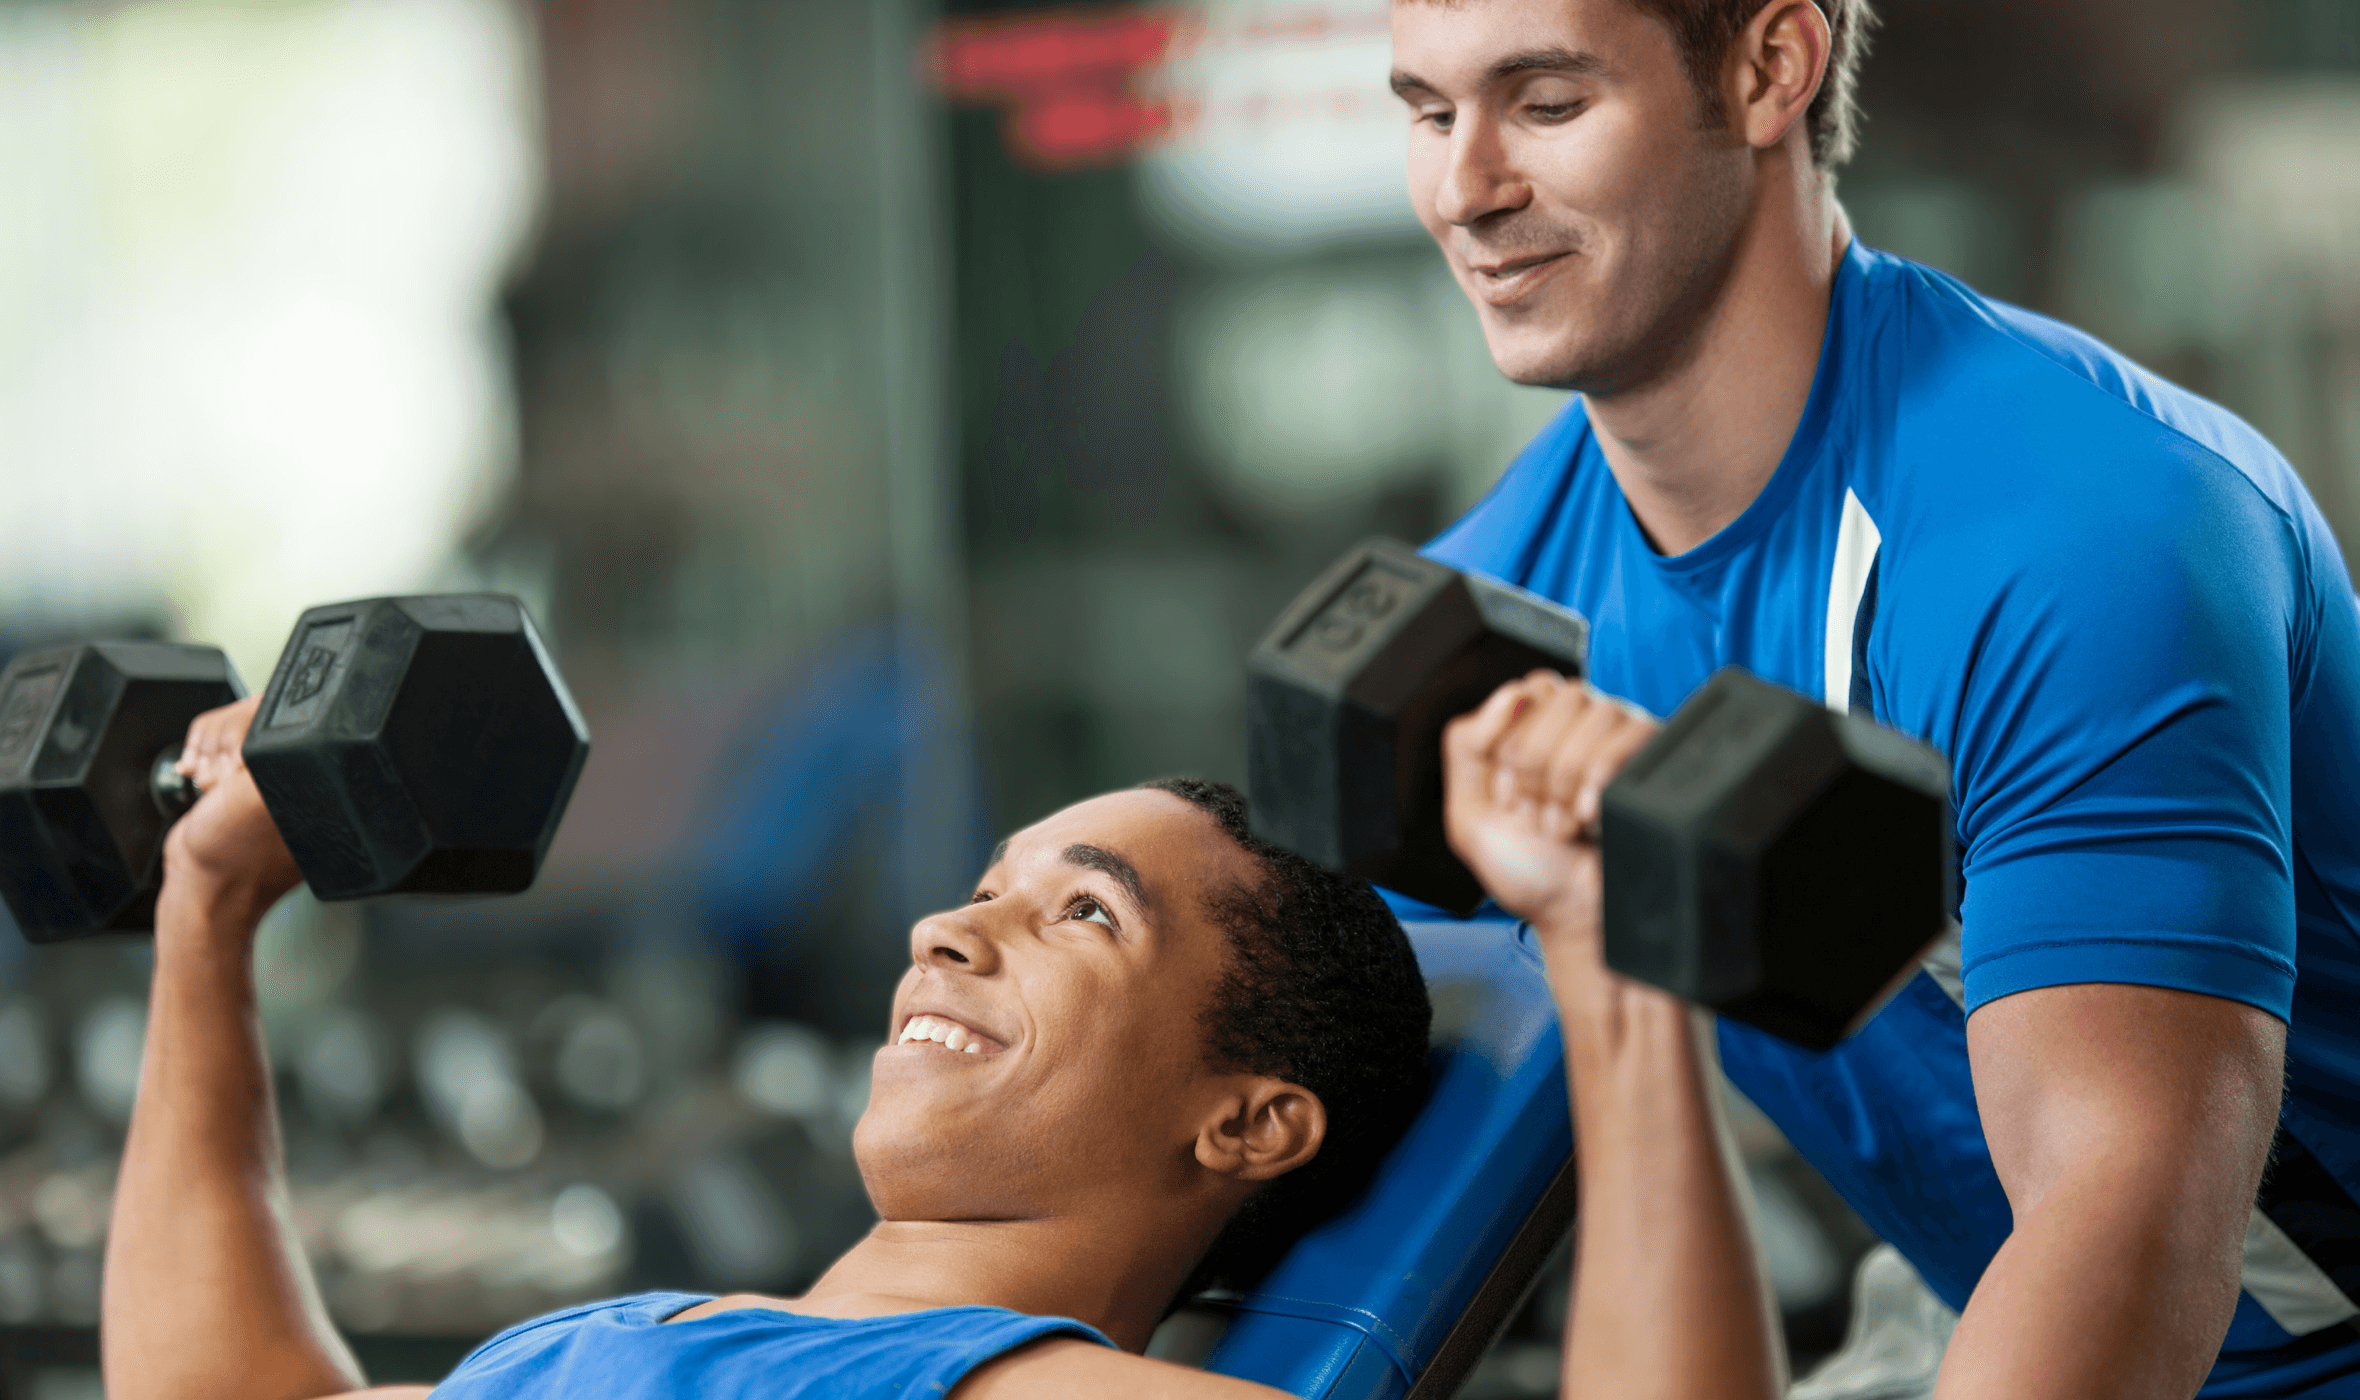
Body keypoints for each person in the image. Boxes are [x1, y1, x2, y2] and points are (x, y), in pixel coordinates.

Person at [1391, 0, 2360, 1395]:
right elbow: (1333, 1112)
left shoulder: (2083, 531)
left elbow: (2125, 1225)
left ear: (1772, 67)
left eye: (1545, 105)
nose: (1465, 190)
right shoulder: (1497, 604)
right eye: (1428, 113)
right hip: (1961, 1314)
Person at [102, 687, 1778, 1399]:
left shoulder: (1024, 1389)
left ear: (1249, 1124)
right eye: (984, 887)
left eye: (1084, 916)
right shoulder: (649, 1335)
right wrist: (210, 904)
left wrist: (1610, 961)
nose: (945, 930)